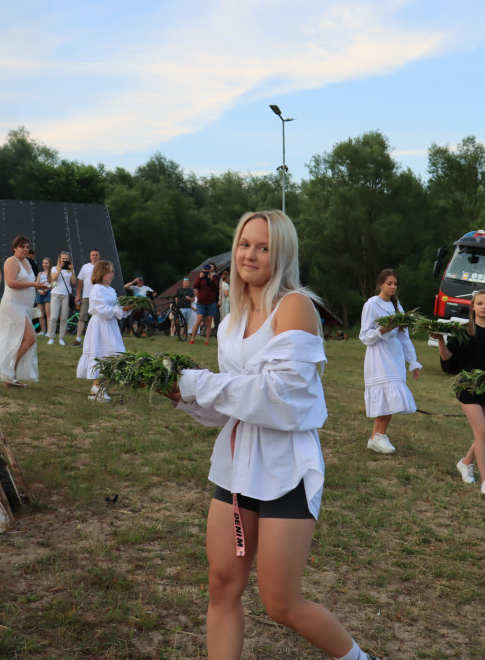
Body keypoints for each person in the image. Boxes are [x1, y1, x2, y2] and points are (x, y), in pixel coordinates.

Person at [165, 210, 381, 660]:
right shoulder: (229, 322)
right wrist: (182, 397)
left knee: (281, 602)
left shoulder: (295, 306)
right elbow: (233, 407)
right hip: (236, 467)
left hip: (286, 469)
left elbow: (279, 397)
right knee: (222, 584)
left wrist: (196, 383)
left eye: (264, 247)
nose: (251, 254)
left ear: (282, 254)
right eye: (245, 244)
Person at [435, 290, 485, 497]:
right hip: (467, 386)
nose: (484, 307)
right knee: (482, 433)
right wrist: (440, 339)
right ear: (473, 307)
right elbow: (447, 356)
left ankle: (466, 463)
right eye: (480, 303)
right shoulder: (463, 331)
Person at [358, 269, 421, 455]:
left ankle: (375, 437)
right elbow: (364, 336)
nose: (393, 287)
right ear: (380, 285)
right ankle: (380, 435)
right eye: (389, 283)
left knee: (391, 397)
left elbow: (404, 337)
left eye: (395, 284)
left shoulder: (398, 307)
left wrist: (413, 361)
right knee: (387, 397)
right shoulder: (371, 305)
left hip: (395, 357)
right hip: (379, 357)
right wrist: (381, 331)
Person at [0, 236, 47, 387]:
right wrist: (33, 284)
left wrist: (40, 287)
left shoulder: (27, 262)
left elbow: (29, 284)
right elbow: (11, 282)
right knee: (29, 338)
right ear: (14, 248)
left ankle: (11, 374)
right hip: (13, 305)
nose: (24, 249)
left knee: (19, 340)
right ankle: (9, 372)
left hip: (25, 306)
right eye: (21, 246)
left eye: (27, 247)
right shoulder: (11, 261)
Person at [75, 260, 133, 401]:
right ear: (101, 273)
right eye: (109, 272)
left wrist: (127, 308)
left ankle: (99, 388)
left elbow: (116, 311)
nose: (112, 274)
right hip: (101, 326)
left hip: (110, 325)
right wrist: (119, 309)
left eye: (112, 272)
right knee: (105, 355)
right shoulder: (96, 289)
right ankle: (97, 388)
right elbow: (103, 310)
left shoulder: (110, 290)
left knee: (115, 355)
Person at [73, 248, 101, 347]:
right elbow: (80, 282)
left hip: (98, 296)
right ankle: (78, 339)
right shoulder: (85, 267)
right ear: (90, 256)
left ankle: (97, 340)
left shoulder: (102, 267)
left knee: (98, 318)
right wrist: (78, 295)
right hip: (86, 296)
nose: (94, 256)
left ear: (99, 256)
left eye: (96, 255)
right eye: (93, 255)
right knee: (82, 317)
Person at [48, 251, 75, 345]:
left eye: (67, 259)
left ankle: (61, 338)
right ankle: (51, 337)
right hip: (55, 293)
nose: (65, 260)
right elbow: (53, 279)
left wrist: (72, 270)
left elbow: (74, 282)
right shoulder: (54, 268)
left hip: (66, 295)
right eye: (63, 259)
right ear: (60, 259)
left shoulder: (70, 269)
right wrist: (59, 269)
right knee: (54, 317)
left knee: (64, 317)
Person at [189, 263, 221, 345]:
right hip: (201, 303)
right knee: (198, 320)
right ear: (203, 269)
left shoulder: (213, 278)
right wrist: (200, 278)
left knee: (209, 322)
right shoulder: (199, 277)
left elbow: (216, 288)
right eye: (205, 269)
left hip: (211, 302)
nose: (206, 271)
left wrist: (211, 279)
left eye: (208, 270)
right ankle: (192, 338)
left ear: (210, 270)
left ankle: (206, 340)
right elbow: (195, 286)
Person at [36, 257, 52, 336]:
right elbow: (36, 284)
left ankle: (49, 331)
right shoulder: (40, 273)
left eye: (46, 263)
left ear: (49, 264)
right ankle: (43, 330)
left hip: (48, 293)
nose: (45, 264)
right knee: (40, 314)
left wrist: (45, 290)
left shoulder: (52, 273)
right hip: (40, 293)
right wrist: (39, 290)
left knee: (48, 313)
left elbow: (54, 284)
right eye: (43, 263)